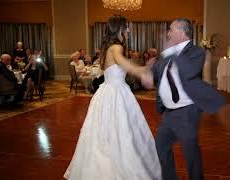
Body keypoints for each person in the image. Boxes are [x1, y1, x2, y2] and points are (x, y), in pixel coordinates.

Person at [64, 15, 161, 180]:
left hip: (107, 92)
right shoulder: (117, 47)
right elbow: (125, 65)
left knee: (107, 133)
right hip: (116, 93)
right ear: (119, 28)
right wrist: (142, 71)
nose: (129, 30)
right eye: (127, 26)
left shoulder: (109, 47)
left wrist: (144, 67)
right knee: (122, 131)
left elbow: (121, 66)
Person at [148, 18, 225, 180]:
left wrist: (173, 54)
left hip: (187, 112)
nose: (168, 33)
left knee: (191, 156)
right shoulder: (167, 53)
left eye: (171, 30)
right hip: (168, 113)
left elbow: (189, 72)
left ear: (182, 32)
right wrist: (145, 71)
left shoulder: (197, 52)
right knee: (161, 147)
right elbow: (155, 74)